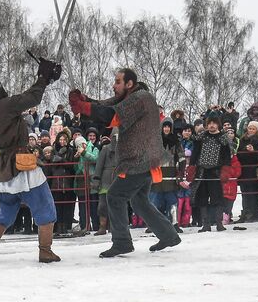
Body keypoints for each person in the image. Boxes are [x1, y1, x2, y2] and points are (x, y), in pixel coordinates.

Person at [68, 68, 182, 257]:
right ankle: (168, 235)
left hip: (140, 159)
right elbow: (105, 105)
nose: (114, 85)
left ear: (129, 84)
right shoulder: (130, 97)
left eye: (117, 81)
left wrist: (83, 107)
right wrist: (84, 100)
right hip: (143, 159)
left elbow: (110, 116)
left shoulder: (140, 98)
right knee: (139, 201)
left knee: (114, 196)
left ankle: (122, 242)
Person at [0, 58, 63, 263]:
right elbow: (32, 98)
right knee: (45, 207)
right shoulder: (5, 105)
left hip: (6, 168)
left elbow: (25, 98)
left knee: (5, 212)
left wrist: (43, 79)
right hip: (23, 164)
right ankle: (45, 250)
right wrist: (42, 78)